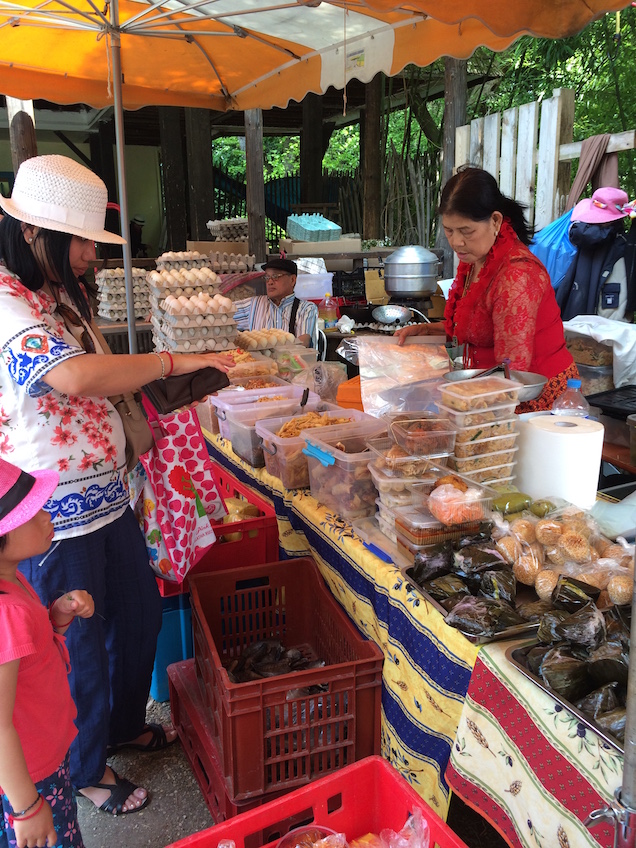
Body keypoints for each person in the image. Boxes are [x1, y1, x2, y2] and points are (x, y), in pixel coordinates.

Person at [0, 154, 234, 817]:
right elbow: (72, 378)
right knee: (78, 646)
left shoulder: (56, 293)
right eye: (77, 242)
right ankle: (85, 767)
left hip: (108, 492)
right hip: (54, 508)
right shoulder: (7, 300)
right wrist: (171, 361)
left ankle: (124, 724)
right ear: (32, 233)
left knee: (133, 620)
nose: (86, 257)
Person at [395, 166, 578, 412]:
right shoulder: (477, 259)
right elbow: (481, 327)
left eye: (466, 231)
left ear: (495, 220)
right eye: (448, 230)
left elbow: (512, 371)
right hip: (487, 388)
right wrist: (429, 330)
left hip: (537, 403)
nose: (456, 242)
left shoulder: (517, 276)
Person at [0, 456, 95, 848]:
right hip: (29, 779)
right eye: (29, 513)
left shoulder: (13, 578)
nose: (45, 515)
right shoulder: (6, 615)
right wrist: (26, 807)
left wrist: (56, 618)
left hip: (41, 763)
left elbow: (26, 659)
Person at [232, 256, 318, 347]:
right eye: (267, 277)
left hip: (292, 360)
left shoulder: (306, 309)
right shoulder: (252, 305)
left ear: (292, 280)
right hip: (261, 361)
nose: (270, 282)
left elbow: (303, 342)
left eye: (275, 277)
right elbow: (224, 315)